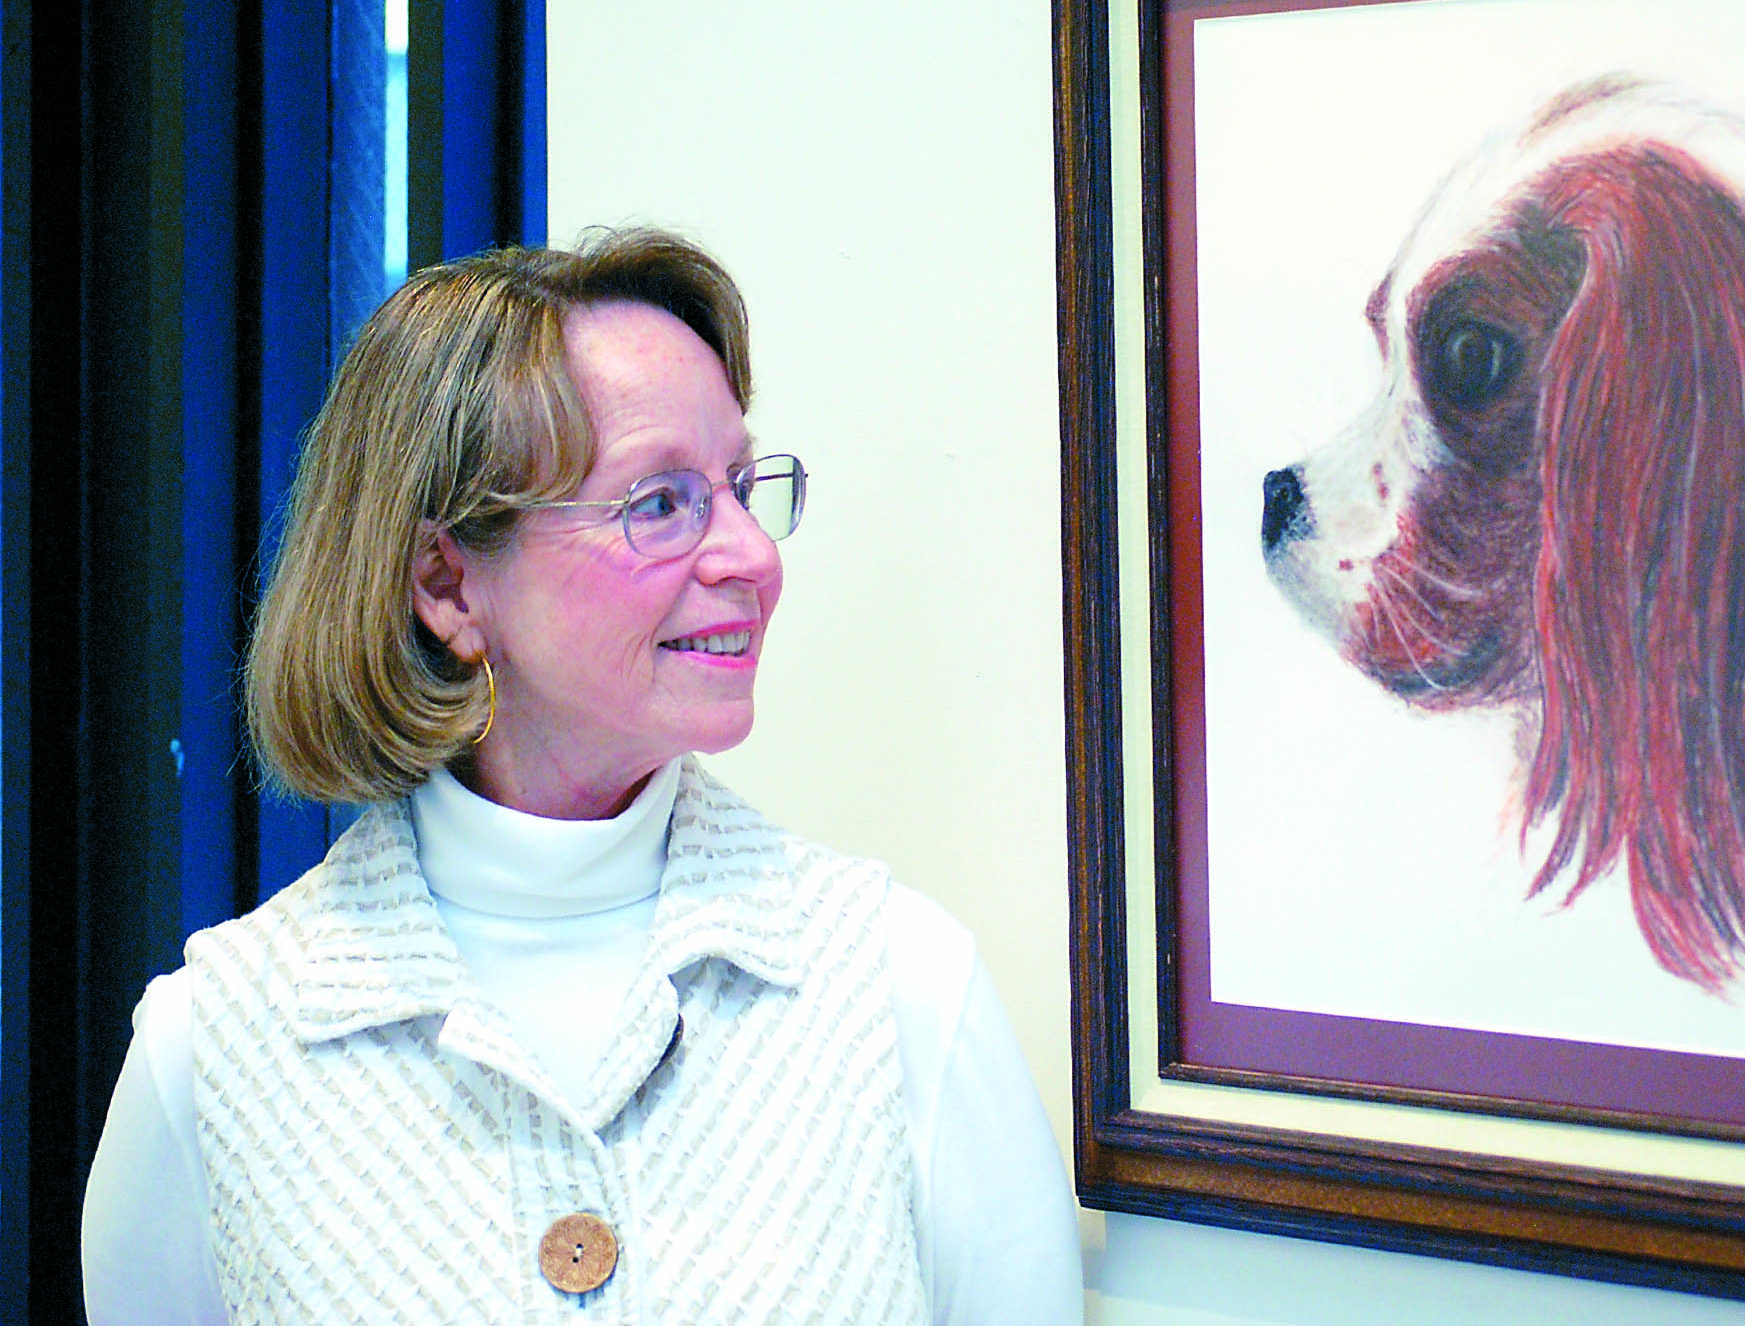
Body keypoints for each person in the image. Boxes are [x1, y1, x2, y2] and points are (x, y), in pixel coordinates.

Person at [81, 227, 1085, 1324]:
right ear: (447, 581)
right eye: (658, 503)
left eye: (742, 486)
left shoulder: (900, 991)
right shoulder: (214, 1054)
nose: (752, 555)